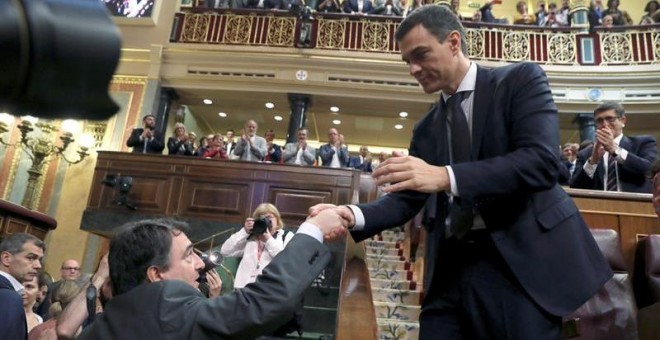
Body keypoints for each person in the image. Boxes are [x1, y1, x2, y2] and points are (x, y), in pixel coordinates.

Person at [310, 6, 611, 339]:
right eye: (407, 61)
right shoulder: (425, 128)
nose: (413, 69)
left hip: (519, 263)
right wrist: (350, 214)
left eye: (421, 55)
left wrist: (445, 176)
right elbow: (407, 200)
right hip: (452, 267)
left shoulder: (519, 79)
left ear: (454, 42)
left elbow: (540, 163)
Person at [77, 212, 344, 339]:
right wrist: (312, 230)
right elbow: (262, 303)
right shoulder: (166, 306)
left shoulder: (97, 329)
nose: (200, 264)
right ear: (156, 275)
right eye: (188, 255)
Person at [570, 102, 657, 193]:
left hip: (636, 204)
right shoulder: (585, 154)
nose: (605, 124)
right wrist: (593, 161)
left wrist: (614, 150)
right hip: (598, 205)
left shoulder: (643, 142)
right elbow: (575, 186)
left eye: (610, 119)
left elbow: (648, 170)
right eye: (599, 120)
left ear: (622, 120)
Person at [221, 203, 295, 289]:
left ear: (277, 220)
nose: (265, 221)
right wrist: (244, 231)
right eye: (261, 218)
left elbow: (285, 261)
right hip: (243, 289)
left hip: (269, 290)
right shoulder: (251, 237)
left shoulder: (285, 236)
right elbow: (225, 251)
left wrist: (268, 240)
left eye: (269, 217)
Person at [0, 233, 45, 340]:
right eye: (31, 258)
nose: (38, 266)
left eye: (40, 260)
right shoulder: (9, 297)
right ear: (6, 258)